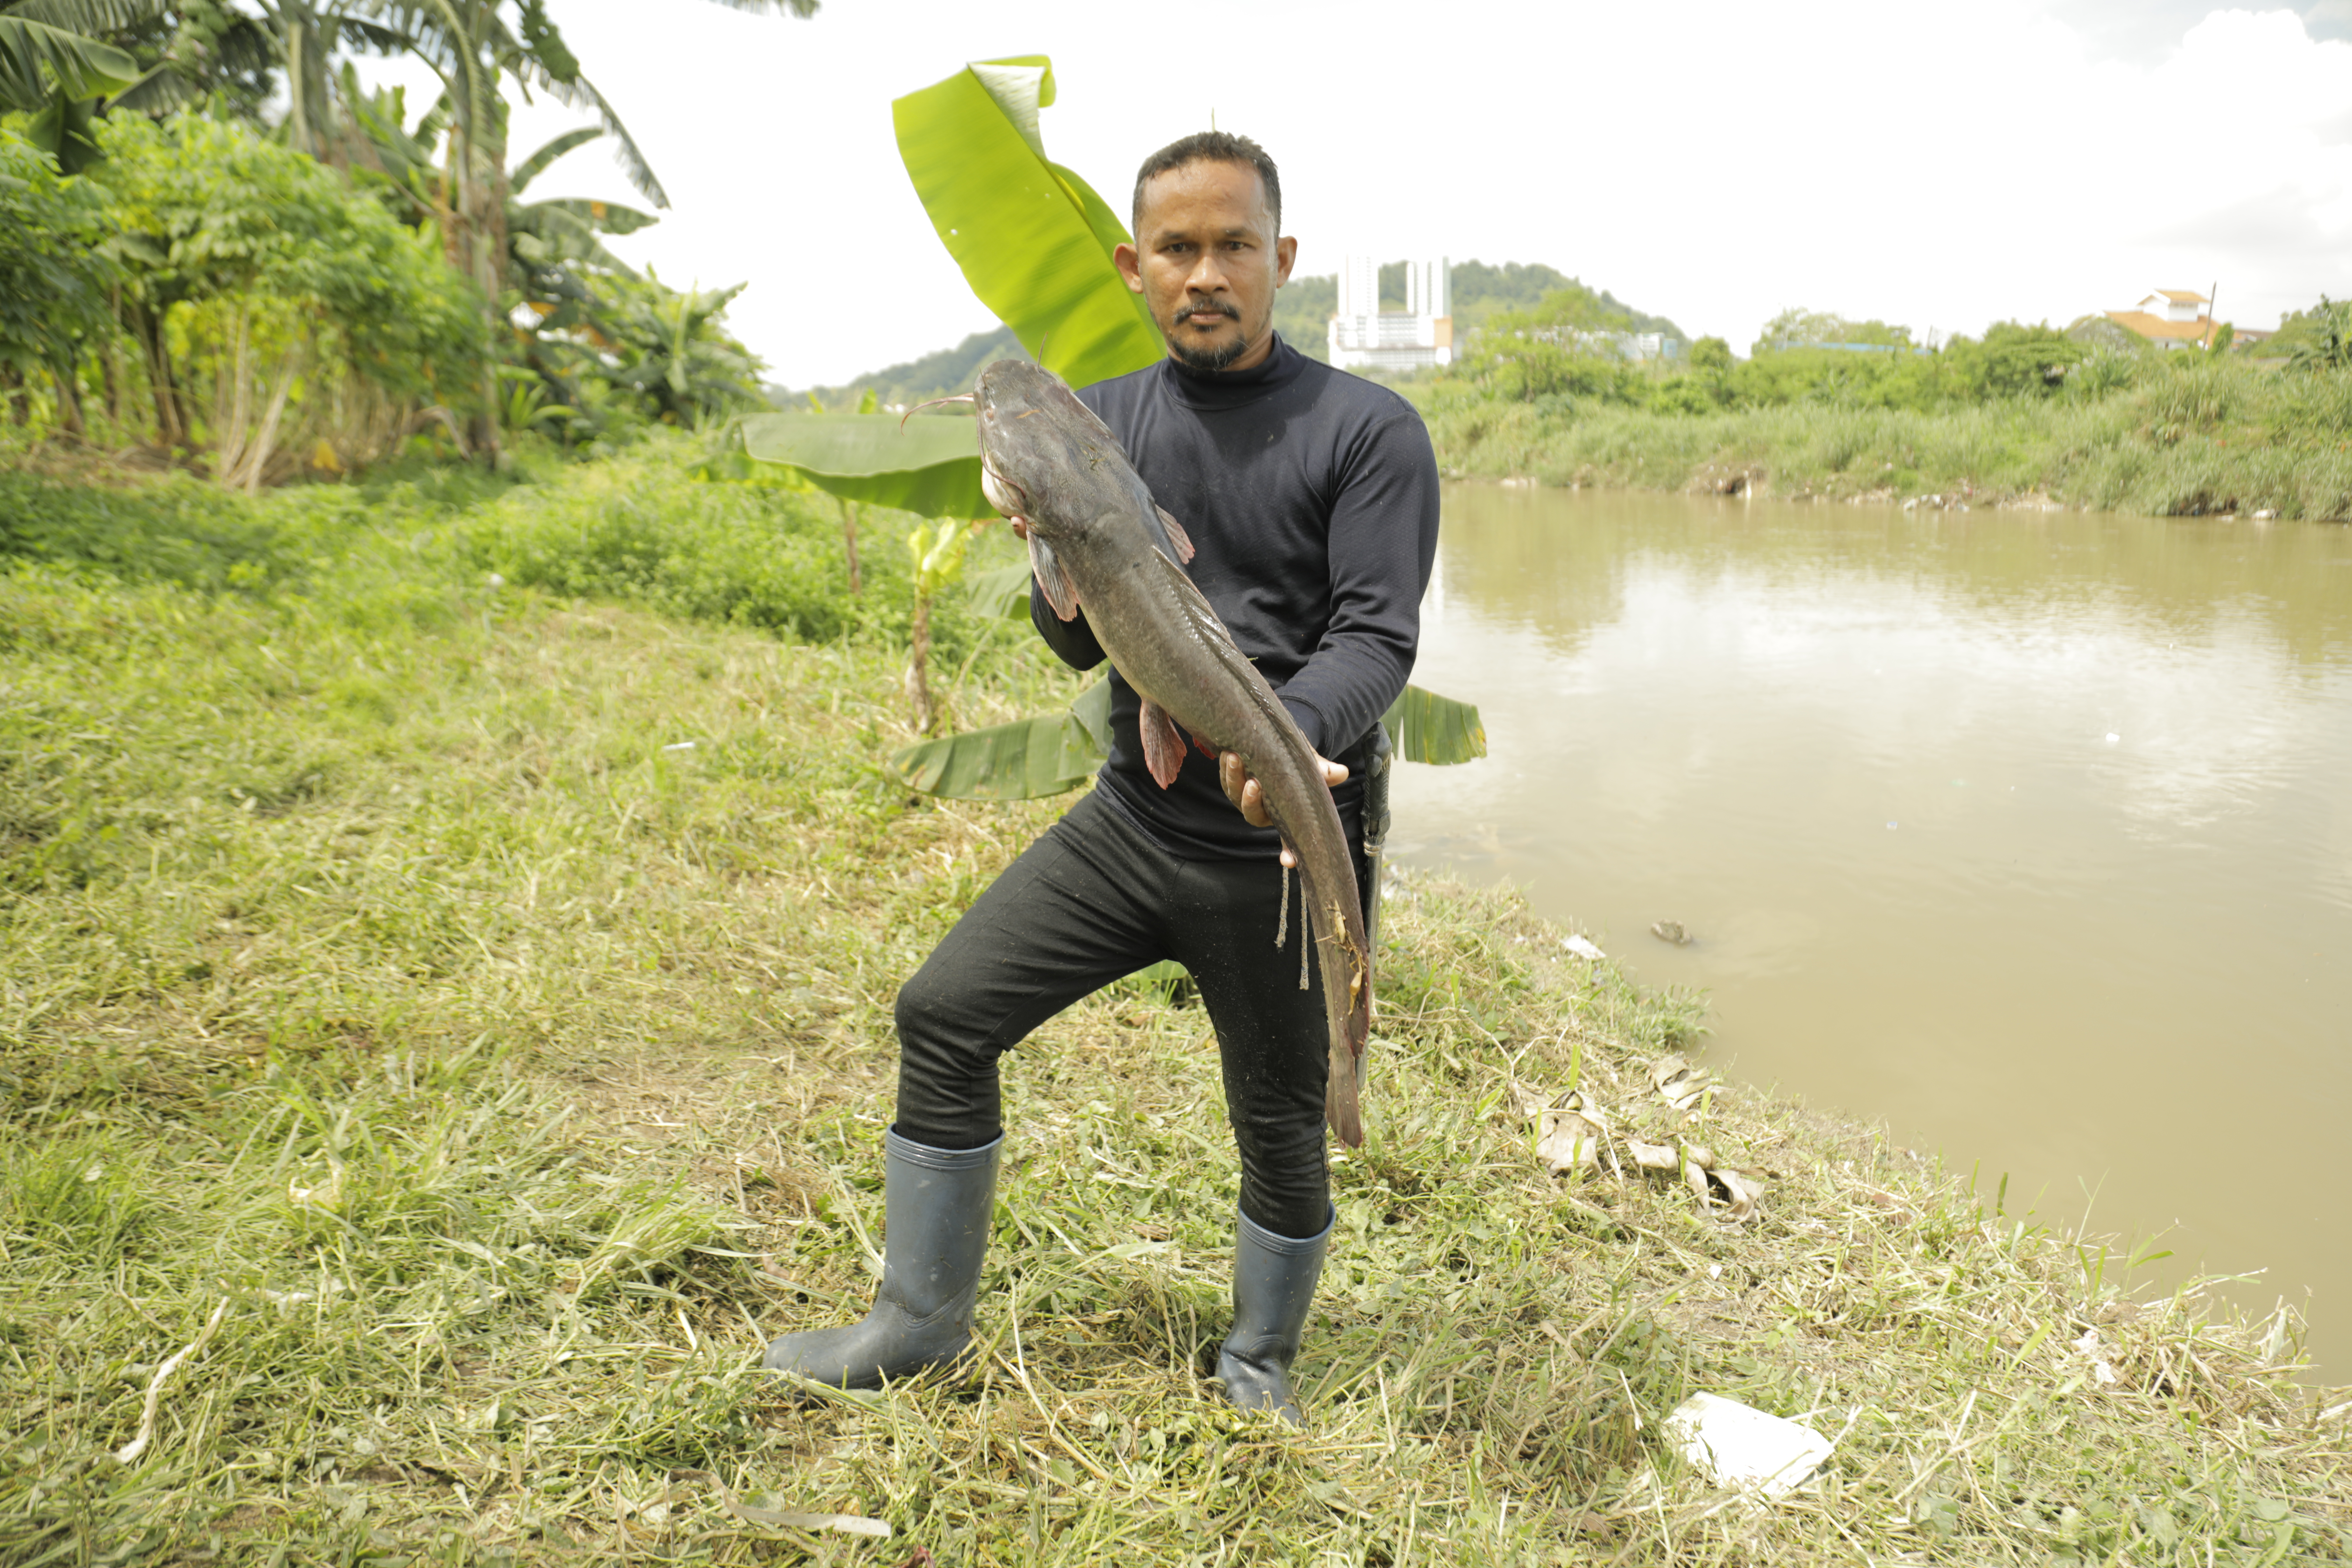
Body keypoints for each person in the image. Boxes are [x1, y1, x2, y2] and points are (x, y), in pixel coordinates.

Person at [762, 131, 1440, 1424]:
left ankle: (1258, 1362)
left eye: (1233, 245)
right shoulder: (1104, 421)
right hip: (1134, 823)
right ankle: (918, 1324)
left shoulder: (1369, 431)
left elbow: (1377, 638)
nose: (1205, 274)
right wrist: (1040, 550)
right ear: (1135, 268)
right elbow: (1081, 636)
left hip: (1279, 842)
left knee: (1285, 1124)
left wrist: (1283, 742)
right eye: (1176, 249)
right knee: (943, 1012)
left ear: (1280, 259)